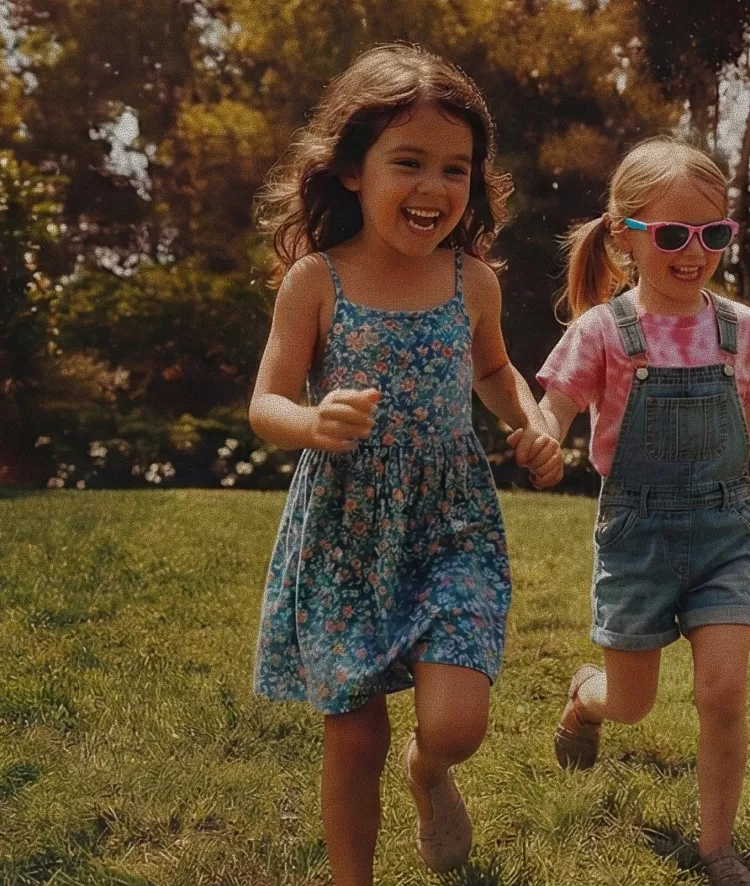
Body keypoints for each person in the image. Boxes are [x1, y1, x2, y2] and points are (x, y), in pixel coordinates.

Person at [249, 43, 562, 886]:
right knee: (354, 737)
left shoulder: (473, 283)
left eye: (455, 169)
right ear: (353, 169)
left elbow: (495, 372)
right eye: (409, 163)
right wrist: (312, 422)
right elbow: (266, 402)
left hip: (450, 520)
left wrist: (530, 422)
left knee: (456, 723)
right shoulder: (316, 282)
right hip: (348, 530)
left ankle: (432, 776)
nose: (434, 189)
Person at [532, 136, 750, 886]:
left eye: (713, 233)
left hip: (728, 532)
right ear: (627, 236)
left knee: (725, 690)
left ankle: (717, 844)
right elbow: (554, 404)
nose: (694, 252)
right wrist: (541, 435)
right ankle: (584, 704)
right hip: (638, 536)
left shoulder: (740, 328)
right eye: (671, 235)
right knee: (632, 704)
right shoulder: (603, 329)